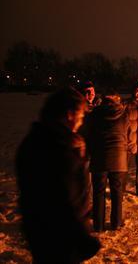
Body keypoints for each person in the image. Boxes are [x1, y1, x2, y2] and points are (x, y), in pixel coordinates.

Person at [16, 87, 100, 263]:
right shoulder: (61, 148)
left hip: (41, 234)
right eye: (81, 115)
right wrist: (84, 239)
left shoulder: (37, 138)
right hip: (61, 239)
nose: (82, 120)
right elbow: (68, 201)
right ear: (70, 114)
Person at [87, 88, 132, 231]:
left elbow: (90, 135)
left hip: (99, 158)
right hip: (119, 158)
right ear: (116, 99)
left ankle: (98, 226)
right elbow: (128, 135)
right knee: (117, 193)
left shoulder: (95, 114)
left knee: (98, 193)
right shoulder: (124, 114)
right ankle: (116, 223)